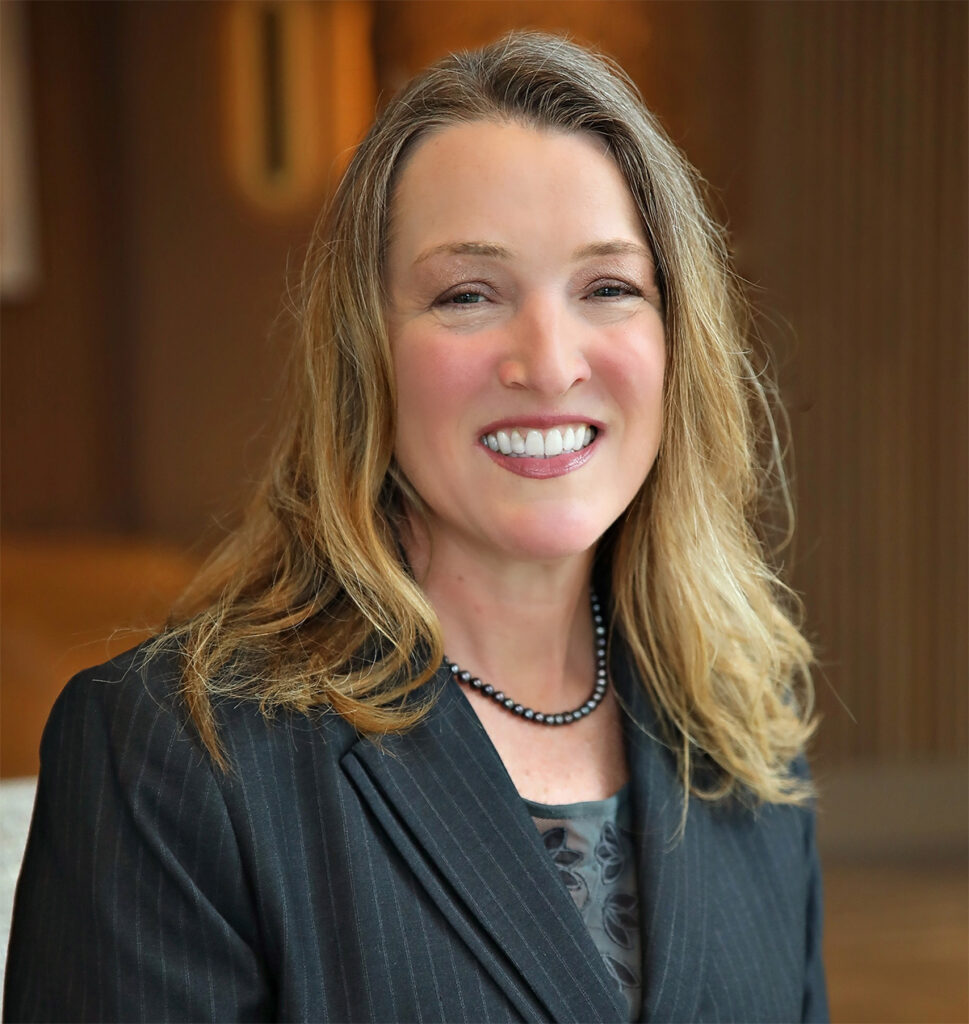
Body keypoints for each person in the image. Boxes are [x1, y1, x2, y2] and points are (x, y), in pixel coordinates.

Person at [5, 31, 828, 1024]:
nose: (551, 360)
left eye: (608, 287)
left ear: (673, 341)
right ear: (367, 356)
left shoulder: (747, 730)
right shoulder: (174, 759)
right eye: (467, 295)